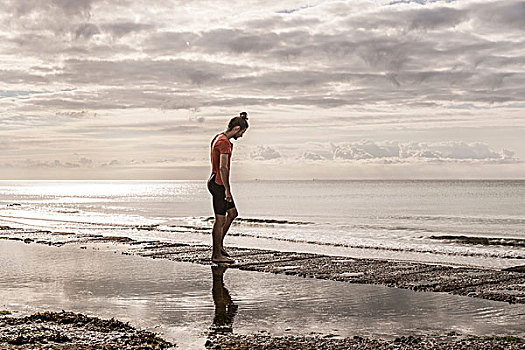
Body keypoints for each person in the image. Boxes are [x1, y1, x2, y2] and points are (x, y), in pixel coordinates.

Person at [207, 112, 249, 263]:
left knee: (232, 213)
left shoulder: (218, 137)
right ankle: (216, 255)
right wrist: (227, 189)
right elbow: (223, 167)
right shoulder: (224, 142)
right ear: (237, 128)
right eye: (242, 132)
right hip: (218, 183)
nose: (242, 136)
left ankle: (219, 247)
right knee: (220, 220)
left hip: (215, 180)